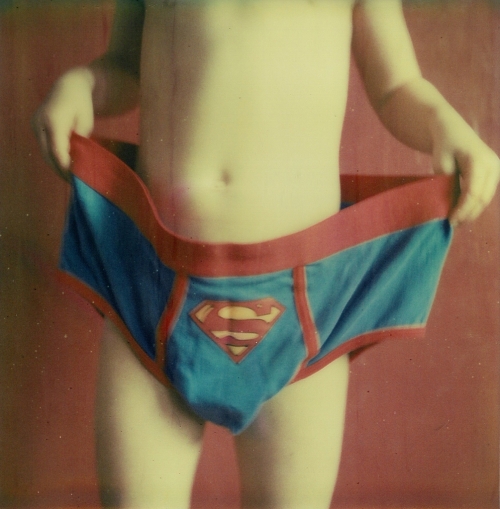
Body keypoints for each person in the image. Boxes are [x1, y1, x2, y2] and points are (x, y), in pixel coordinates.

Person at [32, 1, 500, 508]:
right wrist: (82, 84)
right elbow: (124, 65)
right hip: (148, 277)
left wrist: (445, 124)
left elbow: (397, 85)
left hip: (302, 295)